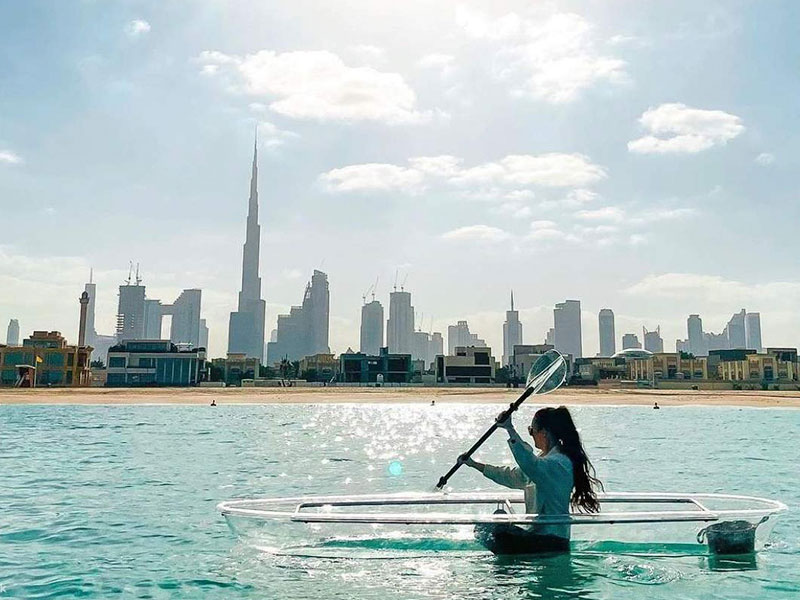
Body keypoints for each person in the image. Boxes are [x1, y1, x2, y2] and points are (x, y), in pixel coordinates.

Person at [459, 406, 603, 555]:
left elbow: (529, 463)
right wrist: (474, 464)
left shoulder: (558, 463)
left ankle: (507, 571)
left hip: (549, 539)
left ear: (544, 433)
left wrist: (510, 429)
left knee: (493, 530)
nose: (531, 435)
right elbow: (511, 476)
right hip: (537, 536)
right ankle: (506, 569)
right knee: (495, 518)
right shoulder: (544, 461)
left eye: (531, 430)